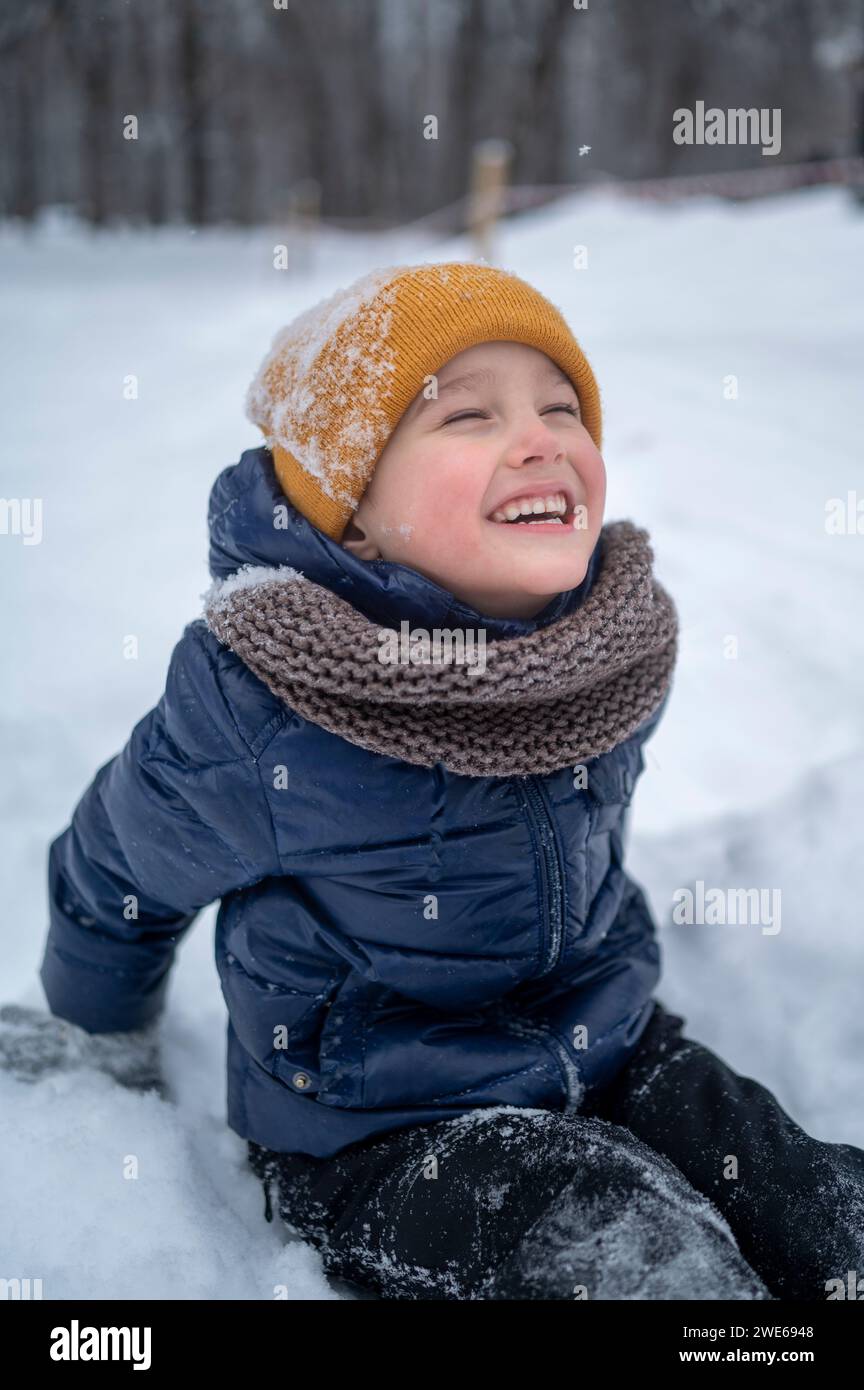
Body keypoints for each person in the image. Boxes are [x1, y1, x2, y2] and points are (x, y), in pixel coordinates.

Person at [8, 261, 863, 1300]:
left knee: (801, 1192)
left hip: (608, 1041)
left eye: (561, 406)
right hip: (381, 1130)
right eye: (468, 417)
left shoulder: (608, 651)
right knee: (621, 1246)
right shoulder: (265, 704)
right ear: (356, 509)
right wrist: (97, 1044)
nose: (541, 436)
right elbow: (114, 872)